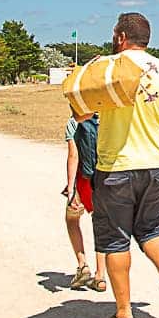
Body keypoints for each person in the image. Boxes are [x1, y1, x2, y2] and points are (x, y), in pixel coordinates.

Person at [87, 12, 159, 318]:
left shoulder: (106, 68)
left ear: (121, 37)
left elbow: (82, 112)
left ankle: (124, 312)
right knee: (153, 228)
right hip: (157, 164)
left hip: (116, 167)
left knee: (116, 238)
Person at [62, 110, 107, 292]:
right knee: (101, 223)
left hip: (84, 180)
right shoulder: (107, 117)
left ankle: (83, 265)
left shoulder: (74, 121)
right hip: (106, 178)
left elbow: (73, 156)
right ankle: (100, 276)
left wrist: (71, 188)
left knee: (72, 219)